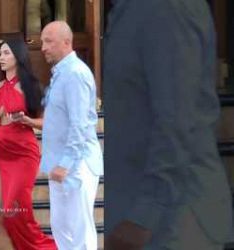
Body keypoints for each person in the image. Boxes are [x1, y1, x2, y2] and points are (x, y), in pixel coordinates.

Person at [103, 0, 232, 249]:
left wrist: (143, 216)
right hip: (143, 219)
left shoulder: (166, 7)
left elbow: (178, 122)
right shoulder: (129, 9)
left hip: (174, 224)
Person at [0, 37, 57, 250]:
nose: (1, 57)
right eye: (0, 53)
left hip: (23, 154)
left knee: (15, 214)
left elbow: (49, 123)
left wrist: (28, 121)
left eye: (6, 53)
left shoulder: (32, 87)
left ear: (19, 56)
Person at [39, 21, 103, 250]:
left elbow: (80, 124)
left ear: (66, 42)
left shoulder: (75, 74)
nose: (43, 47)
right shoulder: (61, 73)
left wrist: (65, 164)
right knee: (62, 228)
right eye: (42, 41)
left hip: (76, 165)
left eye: (48, 41)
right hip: (62, 165)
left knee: (79, 232)